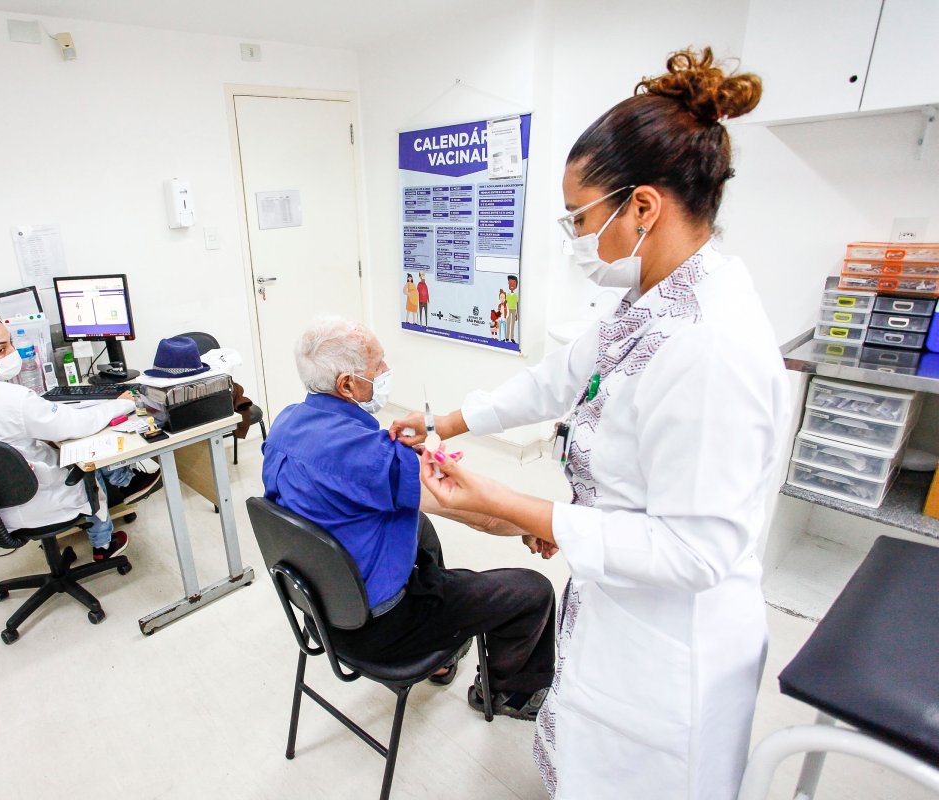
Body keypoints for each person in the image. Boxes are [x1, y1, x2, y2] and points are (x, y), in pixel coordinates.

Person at [390, 48, 788, 799]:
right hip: (618, 605)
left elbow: (695, 549)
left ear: (643, 207)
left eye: (579, 216)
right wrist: (440, 420)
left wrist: (512, 506)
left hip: (676, 646)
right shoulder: (649, 298)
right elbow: (559, 379)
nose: (573, 236)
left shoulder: (711, 347)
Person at [262, 317, 557, 720]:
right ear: (348, 384)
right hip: (381, 630)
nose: (386, 372)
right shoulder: (378, 459)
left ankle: (441, 652)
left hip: (318, 609)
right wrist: (539, 525)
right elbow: (483, 516)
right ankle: (509, 692)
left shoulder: (284, 424)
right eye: (378, 365)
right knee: (532, 591)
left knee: (421, 525)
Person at [0, 305, 162, 560]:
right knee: (85, 451)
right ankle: (106, 541)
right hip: (36, 499)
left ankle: (125, 484)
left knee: (55, 444)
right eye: (1, 349)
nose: (13, 353)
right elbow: (77, 424)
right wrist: (123, 403)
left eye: (10, 343)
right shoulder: (12, 398)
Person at [504, 275, 519, 343]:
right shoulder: (507, 295)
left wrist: (517, 314)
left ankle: (512, 337)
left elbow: (517, 304)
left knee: (513, 324)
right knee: (508, 323)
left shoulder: (516, 295)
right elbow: (505, 303)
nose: (512, 285)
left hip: (514, 310)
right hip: (508, 310)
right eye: (510, 283)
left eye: (513, 283)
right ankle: (507, 337)